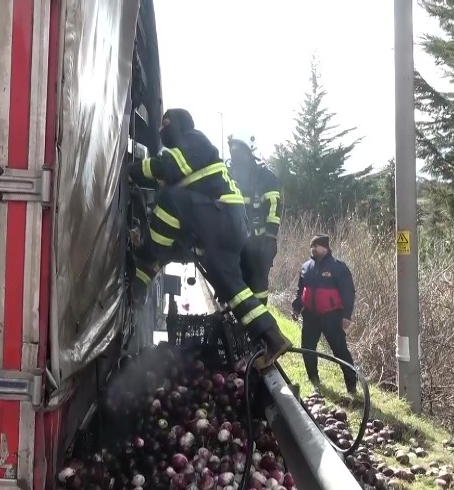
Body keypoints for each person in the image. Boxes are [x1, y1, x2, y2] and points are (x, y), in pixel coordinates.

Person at [127, 108, 291, 369]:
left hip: (221, 215)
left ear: (174, 125)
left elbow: (165, 167)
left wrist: (128, 170)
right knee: (231, 287)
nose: (161, 131)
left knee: (170, 200)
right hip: (228, 223)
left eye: (164, 125)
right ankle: (272, 337)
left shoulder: (193, 139)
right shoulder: (194, 153)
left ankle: (149, 255)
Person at [291, 234, 357, 393]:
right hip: (310, 316)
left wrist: (347, 315)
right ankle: (314, 380)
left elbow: (348, 292)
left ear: (325, 248)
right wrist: (296, 308)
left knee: (340, 351)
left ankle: (351, 386)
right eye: (311, 246)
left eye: (317, 246)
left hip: (332, 317)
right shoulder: (306, 267)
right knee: (307, 349)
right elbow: (301, 291)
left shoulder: (338, 267)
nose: (313, 249)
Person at [227, 133, 282, 306]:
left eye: (238, 149)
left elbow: (274, 207)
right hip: (232, 244)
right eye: (232, 148)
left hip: (258, 245)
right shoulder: (226, 173)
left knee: (258, 288)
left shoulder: (265, 177)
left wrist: (271, 238)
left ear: (250, 150)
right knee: (232, 287)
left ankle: (257, 327)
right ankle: (232, 324)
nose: (234, 154)